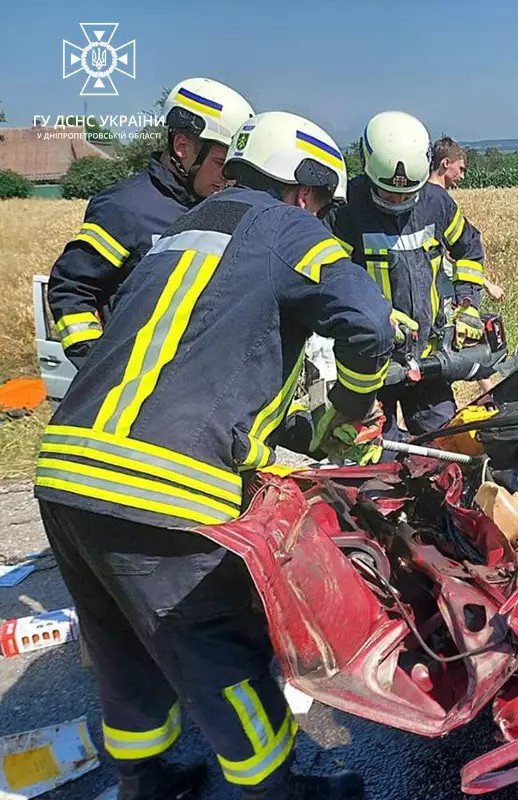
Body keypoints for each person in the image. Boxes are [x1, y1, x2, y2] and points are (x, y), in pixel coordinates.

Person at [34, 111, 393, 800]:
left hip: (64, 475)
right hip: (157, 495)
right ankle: (275, 791)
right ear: (305, 191)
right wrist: (352, 408)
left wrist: (280, 419)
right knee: (221, 648)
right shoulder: (286, 229)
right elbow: (369, 325)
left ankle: (148, 782)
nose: (320, 215)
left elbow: (201, 358)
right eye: (322, 204)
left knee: (123, 650)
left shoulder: (181, 233)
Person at [47, 78, 254, 367]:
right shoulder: (124, 208)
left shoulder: (223, 210)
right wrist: (97, 369)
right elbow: (72, 288)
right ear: (182, 146)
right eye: (221, 163)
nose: (228, 178)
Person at [328, 112, 487, 435]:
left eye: (407, 194)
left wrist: (468, 304)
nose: (399, 201)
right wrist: (375, 317)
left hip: (428, 359)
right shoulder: (346, 210)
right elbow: (331, 279)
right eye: (389, 194)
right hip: (373, 366)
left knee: (444, 447)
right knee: (375, 458)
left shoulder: (436, 203)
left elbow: (468, 248)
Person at [428, 137, 504, 303]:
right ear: (446, 163)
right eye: (460, 169)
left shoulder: (418, 197)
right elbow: (461, 252)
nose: (462, 176)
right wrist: (487, 286)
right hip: (440, 289)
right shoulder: (442, 204)